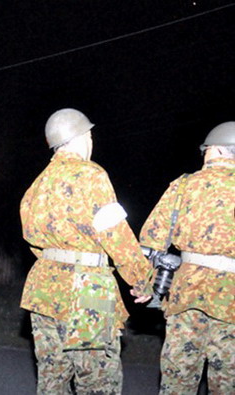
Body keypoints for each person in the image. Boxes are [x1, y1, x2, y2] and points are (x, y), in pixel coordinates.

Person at [20, 108, 153, 394]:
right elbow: (115, 234)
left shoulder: (37, 184)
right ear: (82, 137)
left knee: (52, 381)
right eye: (89, 136)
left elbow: (31, 239)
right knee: (98, 382)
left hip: (43, 290)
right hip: (88, 293)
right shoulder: (92, 175)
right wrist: (142, 278)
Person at [139, 122, 234, 395]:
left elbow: (151, 242)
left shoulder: (184, 186)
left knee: (177, 383)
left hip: (186, 296)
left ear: (214, 150)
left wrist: (144, 286)